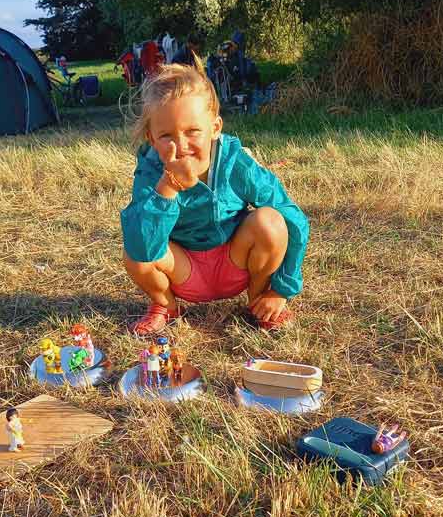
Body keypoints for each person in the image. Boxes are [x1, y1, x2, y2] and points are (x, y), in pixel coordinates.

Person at [120, 59, 309, 335]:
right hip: (183, 271)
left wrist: (282, 289)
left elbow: (293, 217)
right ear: (151, 137)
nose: (180, 146)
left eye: (193, 131)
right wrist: (167, 188)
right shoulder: (151, 170)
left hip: (236, 264)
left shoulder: (236, 162)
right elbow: (141, 249)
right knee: (134, 247)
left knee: (270, 221)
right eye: (166, 135)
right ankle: (166, 305)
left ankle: (259, 301)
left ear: (215, 127)